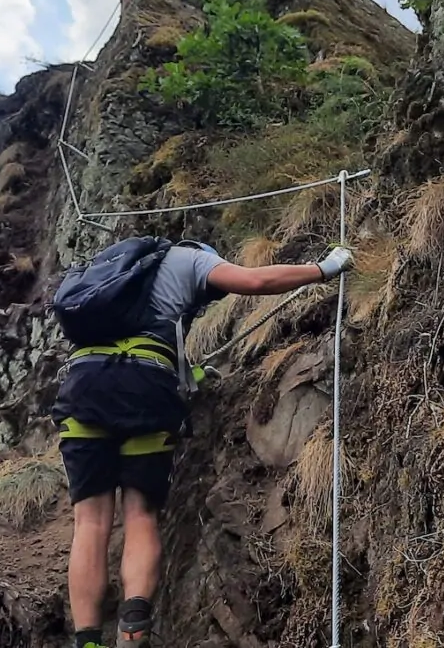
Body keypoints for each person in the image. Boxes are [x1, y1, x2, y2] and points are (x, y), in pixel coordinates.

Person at [52, 238, 354, 648]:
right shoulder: (190, 259)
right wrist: (324, 269)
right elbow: (254, 280)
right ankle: (132, 631)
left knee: (90, 522)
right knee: (140, 514)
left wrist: (188, 375)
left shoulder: (113, 274)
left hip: (83, 387)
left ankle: (86, 640)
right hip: (144, 389)